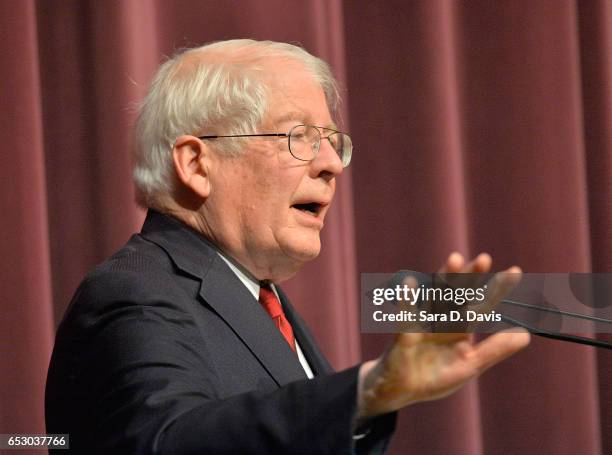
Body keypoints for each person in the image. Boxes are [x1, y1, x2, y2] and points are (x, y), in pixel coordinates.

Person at [45, 39, 530, 454]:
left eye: (331, 140)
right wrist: (367, 391)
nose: (331, 165)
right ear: (196, 164)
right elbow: (167, 441)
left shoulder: (258, 297)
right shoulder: (135, 292)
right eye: (299, 136)